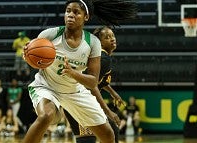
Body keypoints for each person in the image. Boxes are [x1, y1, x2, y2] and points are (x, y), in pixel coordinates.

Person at [22, 0, 137, 143]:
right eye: (68, 11)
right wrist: (28, 54)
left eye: (76, 12)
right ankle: (55, 114)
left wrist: (72, 73)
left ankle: (58, 114)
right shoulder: (50, 34)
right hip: (47, 86)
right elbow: (34, 59)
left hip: (75, 90)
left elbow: (93, 81)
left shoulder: (92, 42)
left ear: (86, 17)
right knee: (46, 116)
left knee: (108, 134)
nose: (70, 15)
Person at [63, 26, 126, 143]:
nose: (112, 39)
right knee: (94, 136)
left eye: (112, 36)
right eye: (107, 37)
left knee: (103, 132)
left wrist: (112, 92)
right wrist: (108, 111)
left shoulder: (99, 56)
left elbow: (96, 79)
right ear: (100, 43)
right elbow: (91, 85)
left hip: (72, 98)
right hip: (78, 101)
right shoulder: (104, 58)